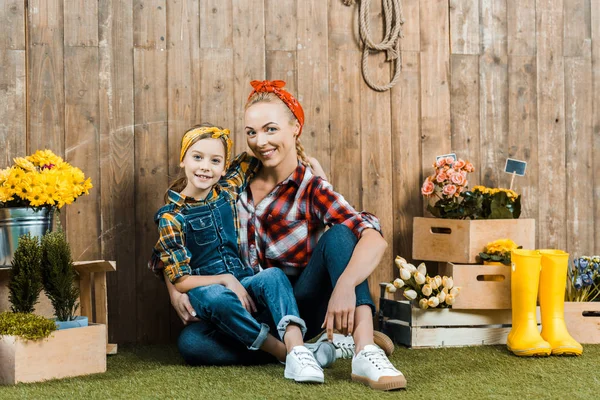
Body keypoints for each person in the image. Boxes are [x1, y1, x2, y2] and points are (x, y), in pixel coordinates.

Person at [168, 81, 406, 391]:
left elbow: (373, 236)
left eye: (270, 129)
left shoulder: (312, 187)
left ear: (295, 128)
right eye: (251, 132)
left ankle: (363, 349)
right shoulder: (226, 181)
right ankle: (310, 350)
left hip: (300, 301)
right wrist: (174, 290)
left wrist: (345, 285)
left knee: (340, 236)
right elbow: (176, 233)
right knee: (192, 343)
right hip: (248, 306)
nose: (260, 141)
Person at [150, 124, 336, 383]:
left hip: (245, 282)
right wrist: (226, 279)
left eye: (215, 161)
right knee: (216, 303)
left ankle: (298, 350)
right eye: (197, 157)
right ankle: (283, 352)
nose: (205, 166)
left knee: (272, 276)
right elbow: (180, 278)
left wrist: (305, 159)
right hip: (208, 291)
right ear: (183, 160)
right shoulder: (171, 216)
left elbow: (254, 156)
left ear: (224, 168)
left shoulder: (226, 192)